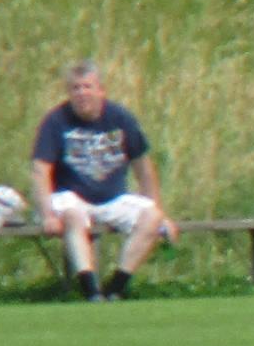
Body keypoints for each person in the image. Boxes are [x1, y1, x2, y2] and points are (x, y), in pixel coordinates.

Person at [31, 61, 169, 298]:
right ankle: (90, 289)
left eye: (87, 86)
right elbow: (40, 171)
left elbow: (143, 168)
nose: (81, 93)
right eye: (75, 88)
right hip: (72, 197)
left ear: (100, 90)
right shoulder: (56, 121)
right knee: (72, 216)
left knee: (152, 217)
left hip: (112, 198)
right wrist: (47, 215)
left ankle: (116, 287)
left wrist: (159, 211)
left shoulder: (121, 118)